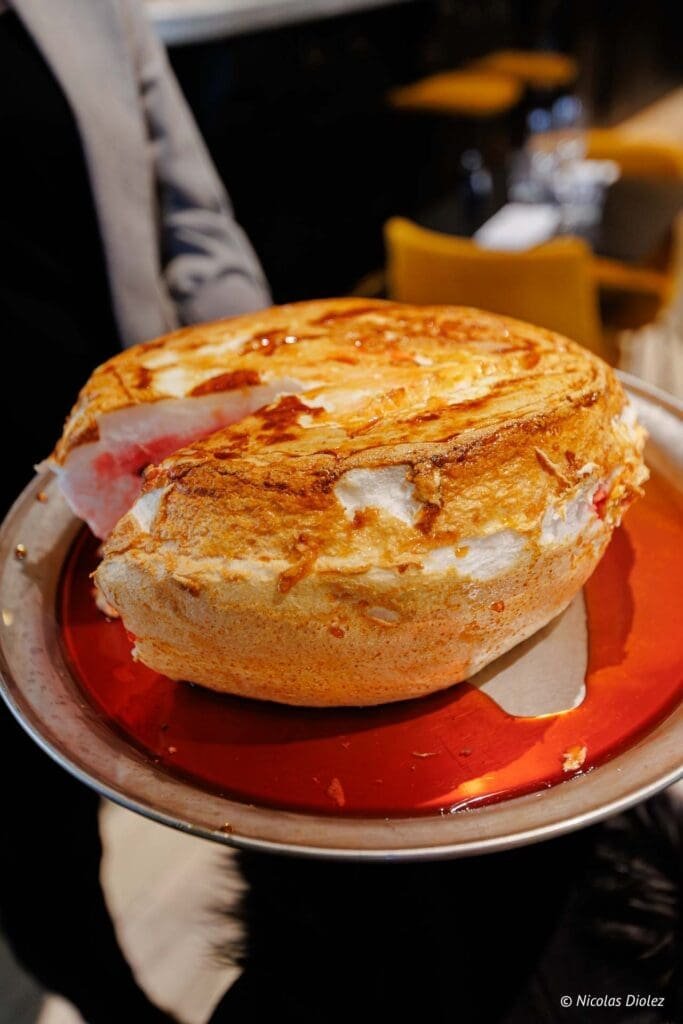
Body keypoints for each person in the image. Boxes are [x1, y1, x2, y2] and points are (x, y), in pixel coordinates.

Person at [0, 1, 269, 1019]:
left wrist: (251, 400)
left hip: (139, 456)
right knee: (28, 792)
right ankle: (90, 973)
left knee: (199, 717)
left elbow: (193, 217)